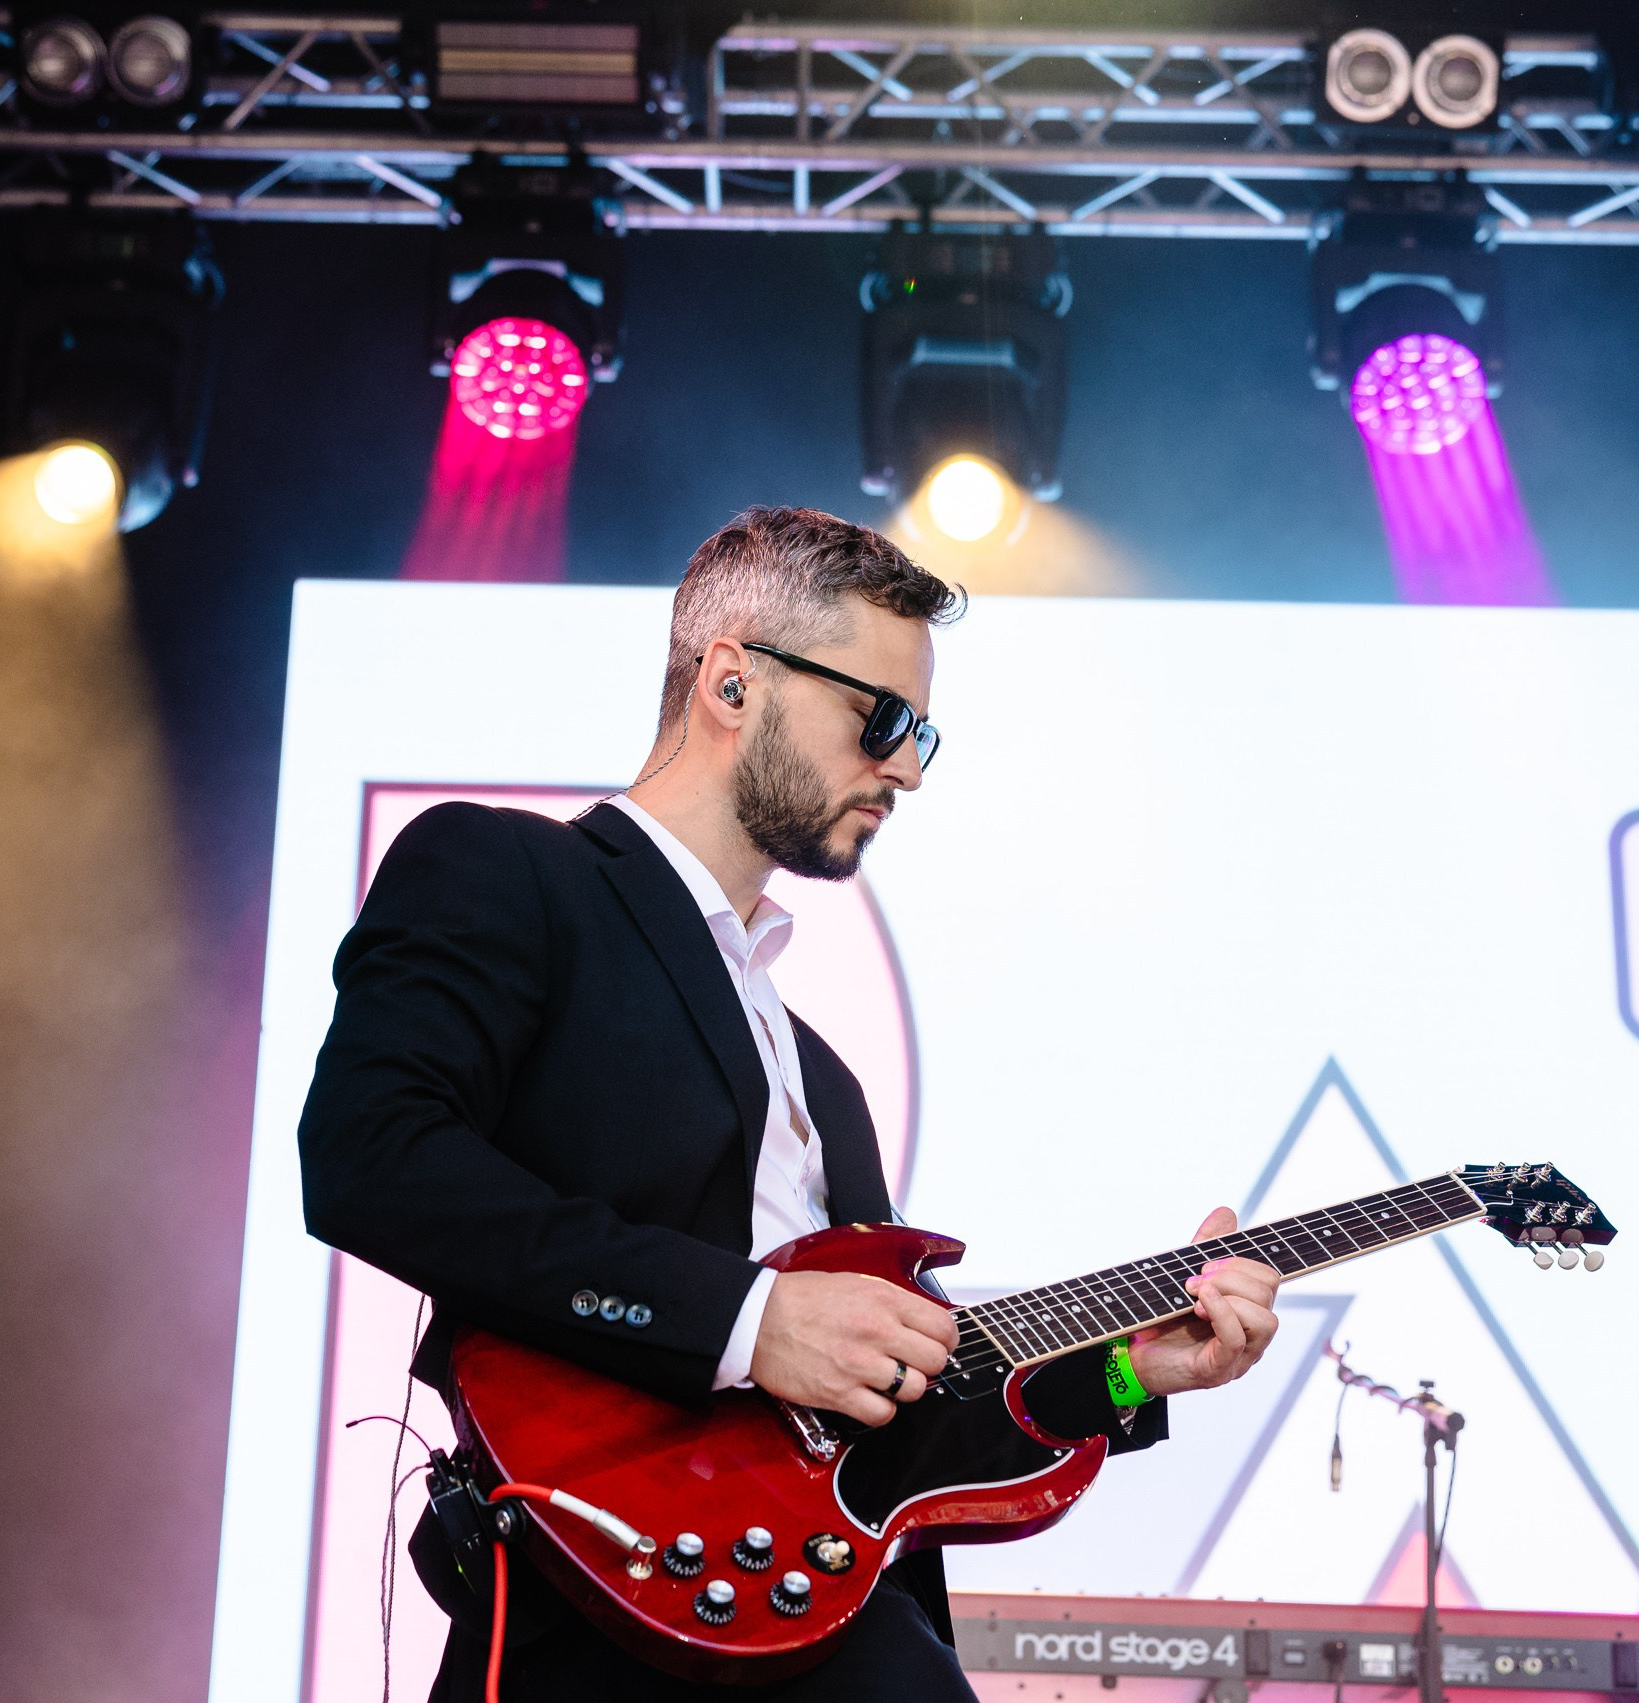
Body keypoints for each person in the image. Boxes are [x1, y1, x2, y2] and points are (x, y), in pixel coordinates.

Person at [298, 506, 1284, 1701]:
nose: (908, 767)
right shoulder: (511, 873)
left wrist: (1133, 1372)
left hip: (812, 1614)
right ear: (731, 682)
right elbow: (370, 1153)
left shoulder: (823, 1077)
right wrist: (746, 1318)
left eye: (923, 732)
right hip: (593, 1605)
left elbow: (899, 1430)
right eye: (881, 719)